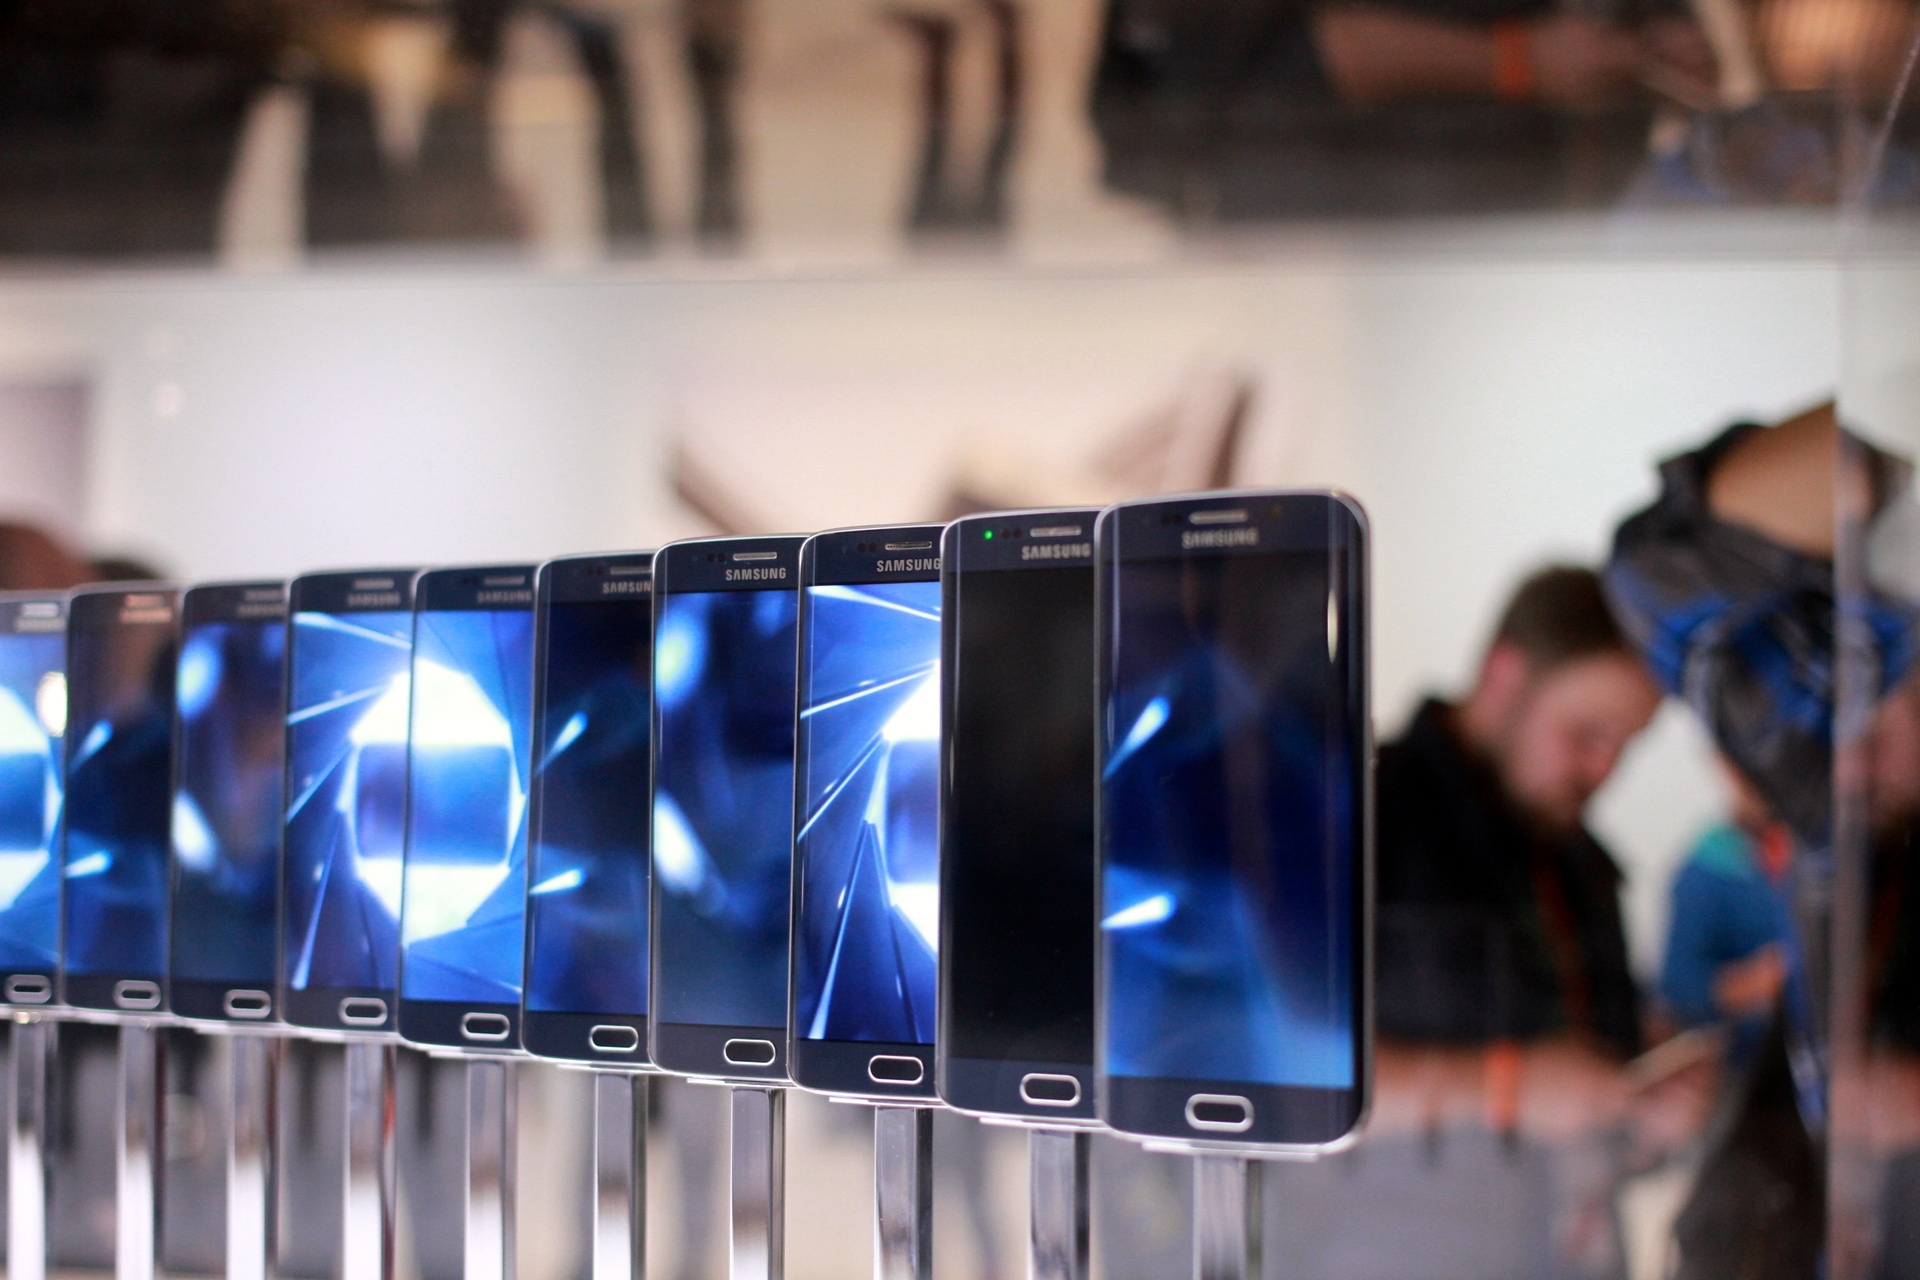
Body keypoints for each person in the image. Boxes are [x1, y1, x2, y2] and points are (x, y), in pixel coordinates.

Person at [1659, 760, 1790, 1062]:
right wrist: (1752, 982)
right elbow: (1678, 984)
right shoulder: (1703, 870)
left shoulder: (1819, 856)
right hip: (1744, 1059)